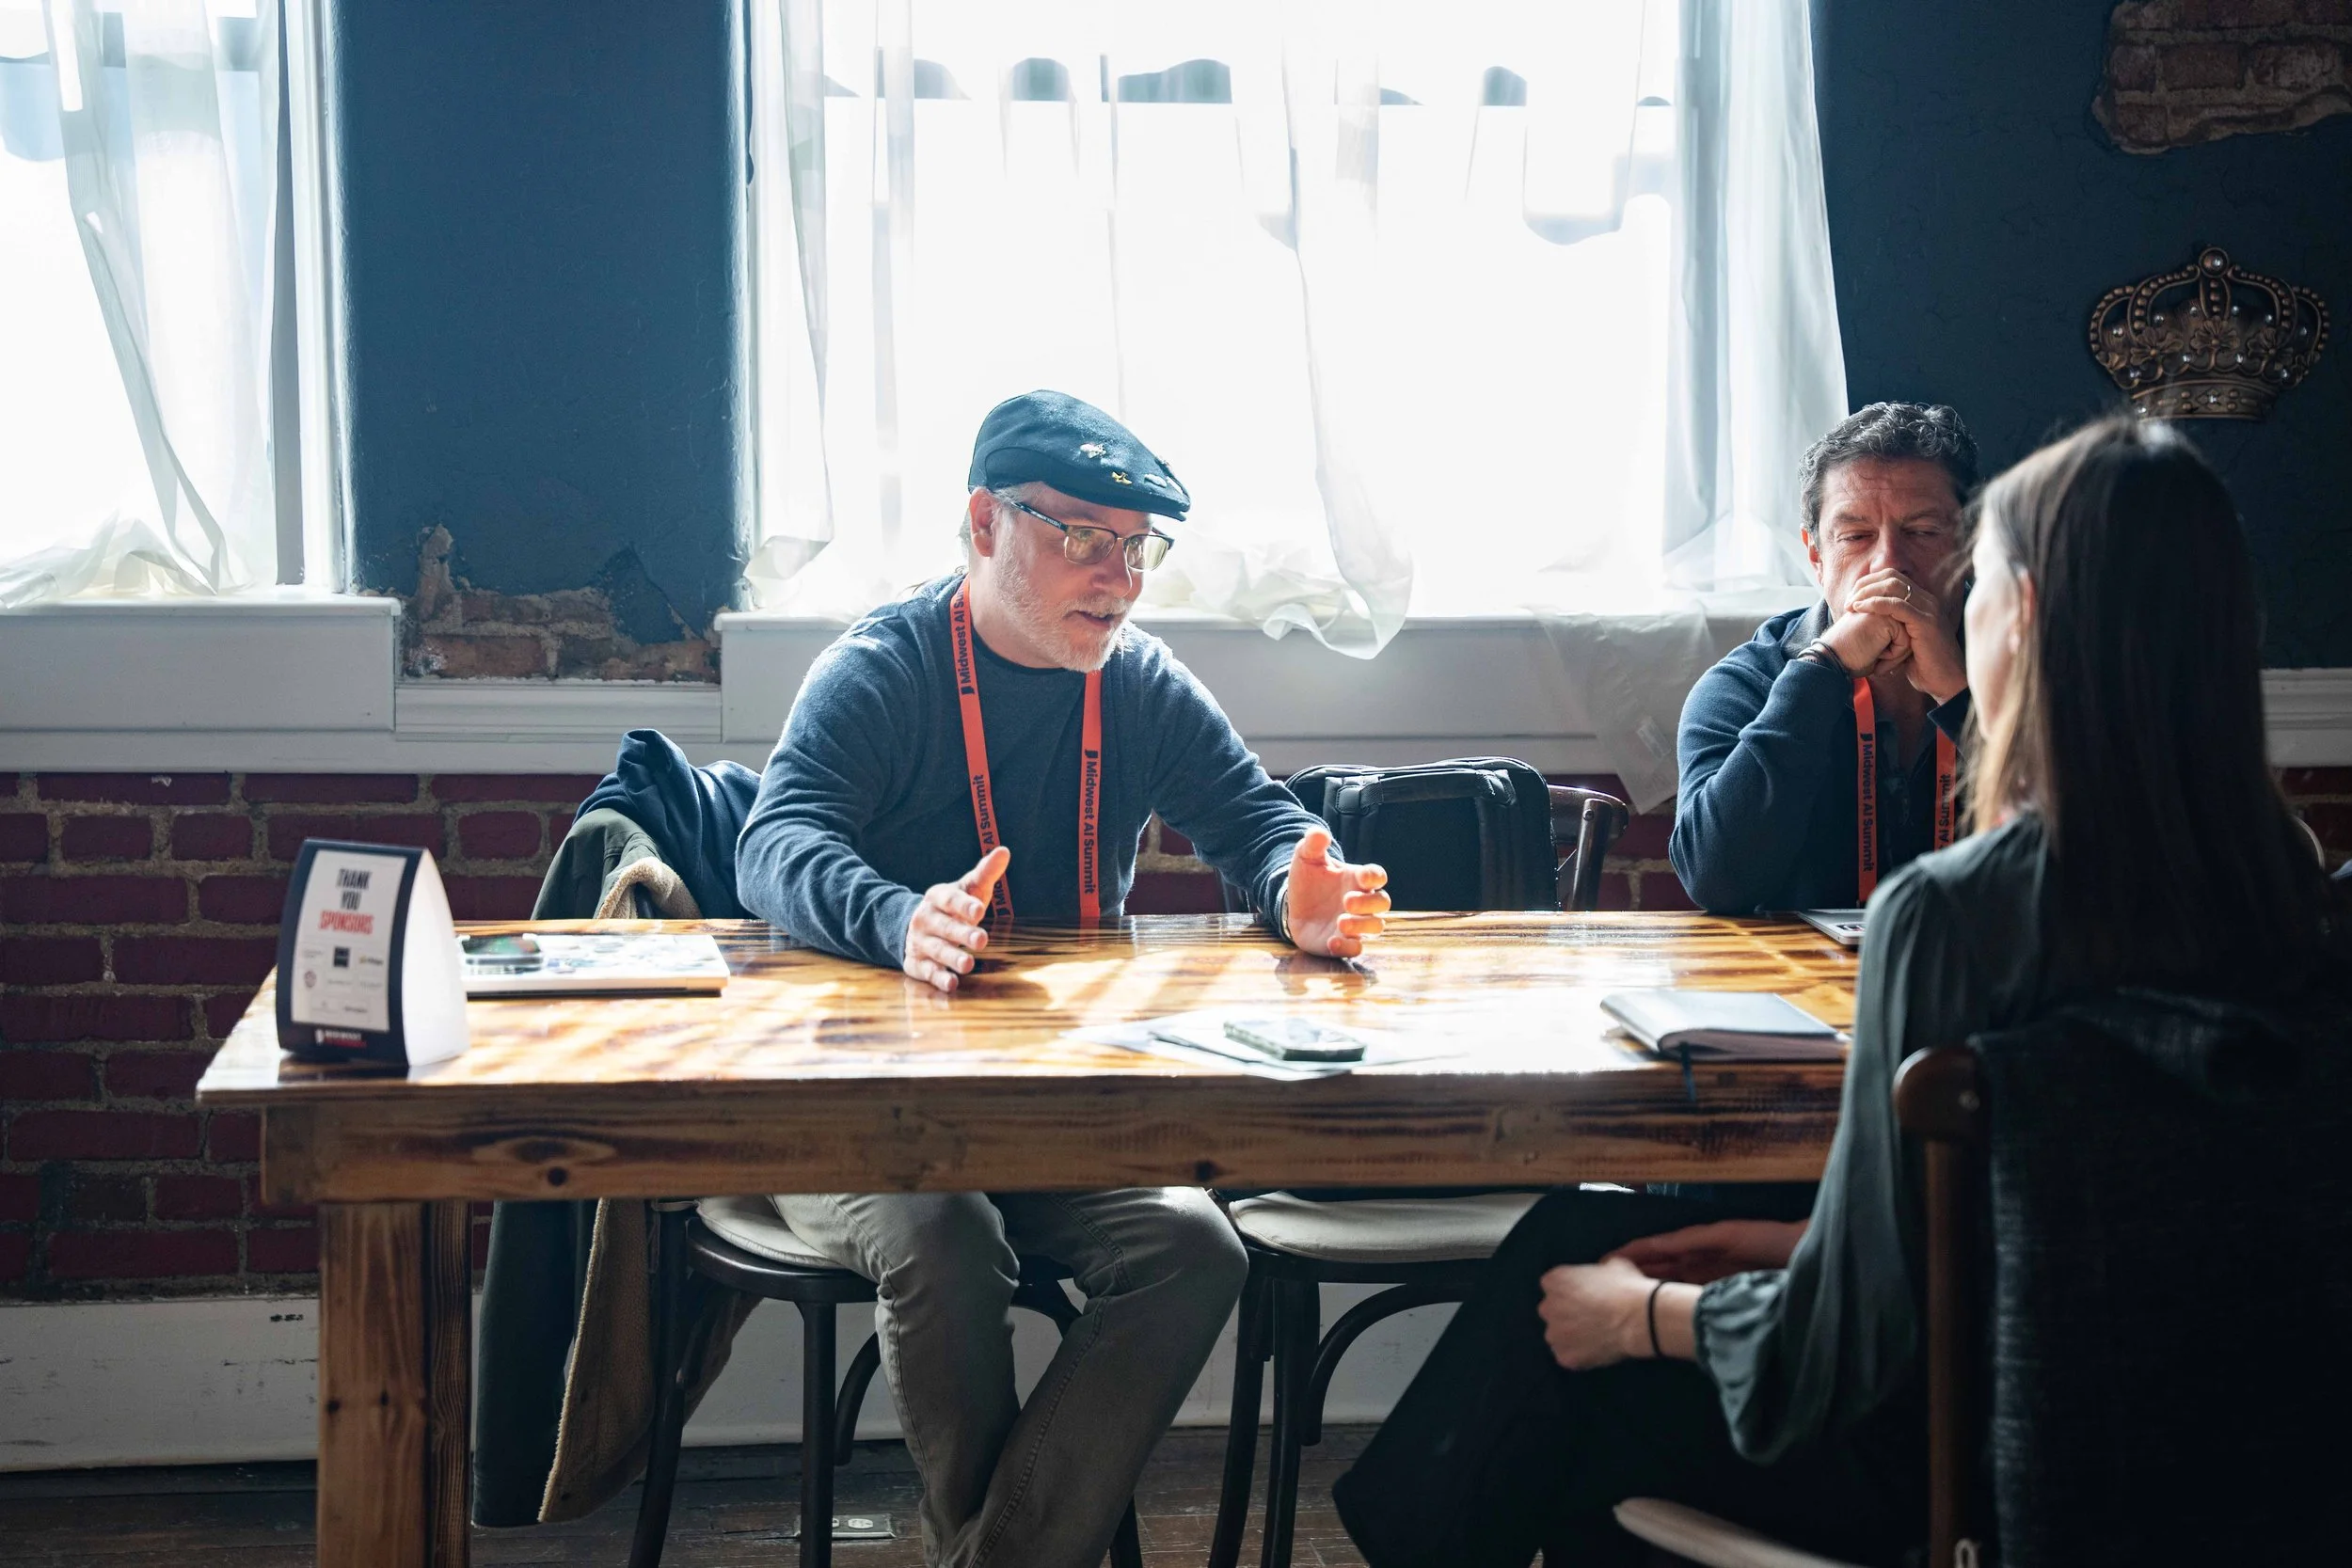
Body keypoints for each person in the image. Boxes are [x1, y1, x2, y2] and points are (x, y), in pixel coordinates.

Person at [1330, 416, 2350, 1566]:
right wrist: (1787, 1238)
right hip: (2238, 1457)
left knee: (1570, 1363)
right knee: (1581, 1232)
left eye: (1944, 548)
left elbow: (1853, 1340)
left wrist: (1647, 1320)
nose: (1897, 567)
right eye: (1858, 533)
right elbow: (2091, 1201)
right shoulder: (2299, 887)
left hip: (1979, 1460)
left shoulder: (1955, 912)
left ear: (2008, 612)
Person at [734, 389, 1391, 1568]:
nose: (1119, 578)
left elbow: (1256, 823)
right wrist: (898, 918)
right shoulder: (879, 670)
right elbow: (773, 842)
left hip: (1050, 1110)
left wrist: (1301, 894)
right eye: (1081, 537)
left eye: (1136, 548)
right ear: (984, 522)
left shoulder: (1135, 679)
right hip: (858, 1111)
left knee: (1195, 1248)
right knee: (941, 1233)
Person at [1671, 403, 1980, 913]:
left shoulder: (2033, 672)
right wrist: (1822, 669)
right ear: (1816, 556)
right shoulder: (1743, 686)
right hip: (1797, 985)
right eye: (1856, 536)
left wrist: (1960, 697)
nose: (1888, 563)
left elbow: (2094, 864)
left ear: (1968, 544)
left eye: (1923, 532)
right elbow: (1716, 881)